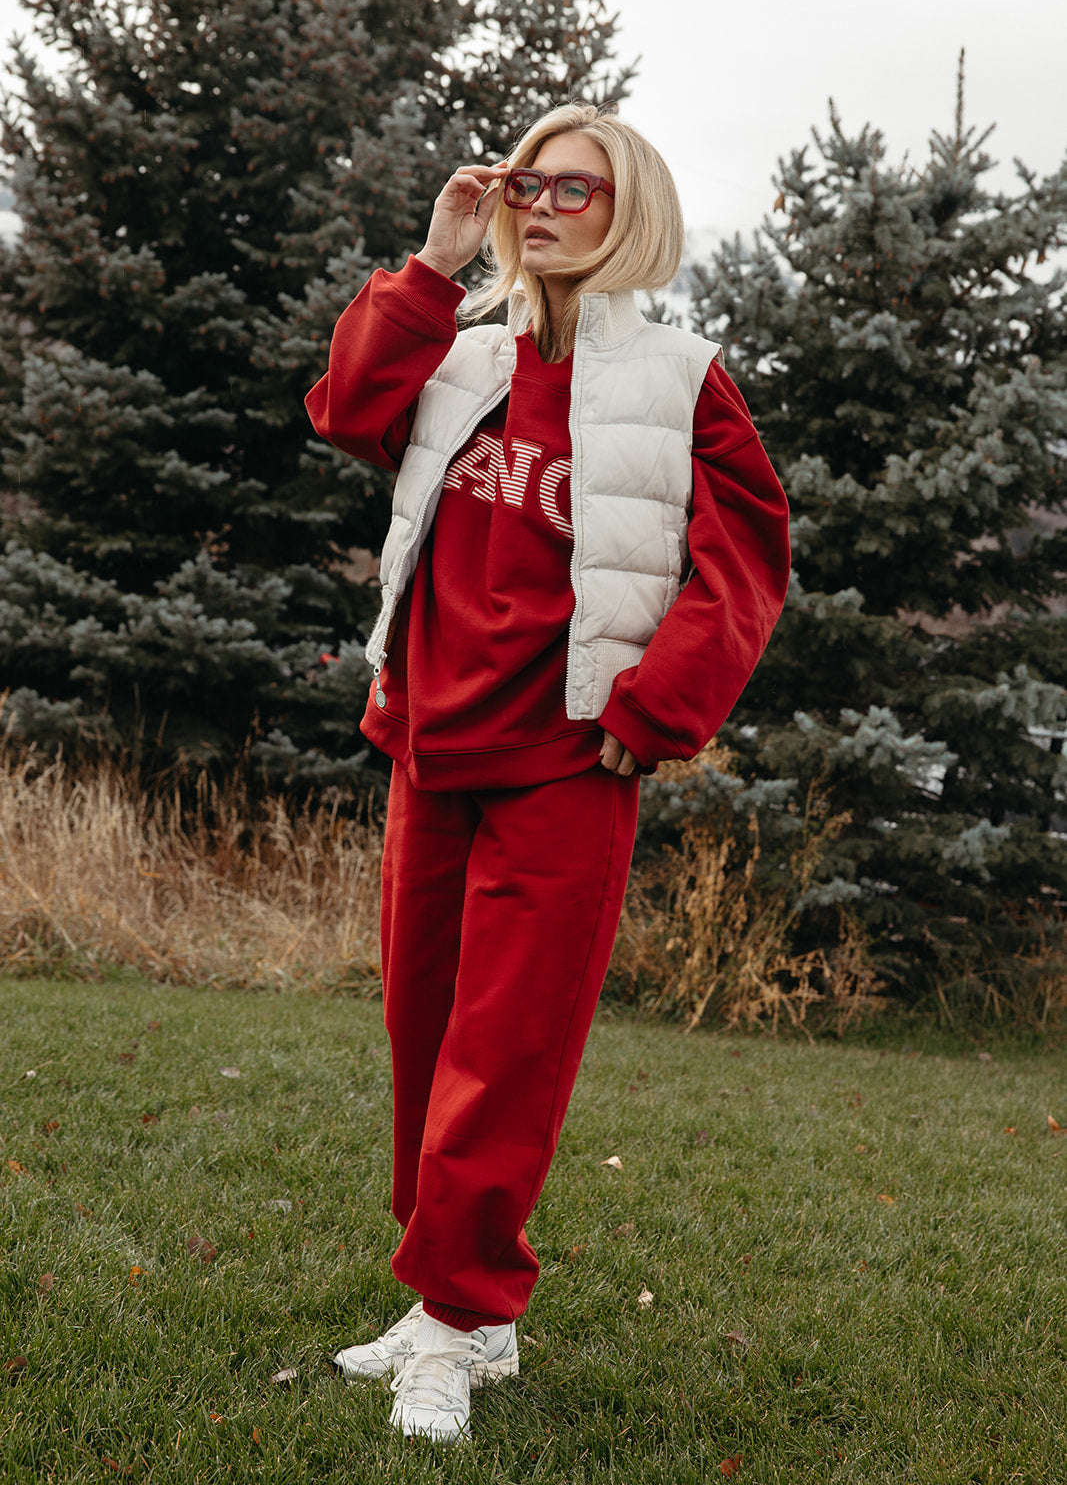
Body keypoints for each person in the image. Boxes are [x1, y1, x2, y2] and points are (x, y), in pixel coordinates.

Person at [304, 101, 791, 1443]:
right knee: (426, 1039)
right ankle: (463, 1312)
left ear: (631, 209)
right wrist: (434, 262)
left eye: (577, 188)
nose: (544, 206)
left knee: (506, 1053)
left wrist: (660, 707)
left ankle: (457, 1321)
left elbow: (747, 561)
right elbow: (346, 410)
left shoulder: (683, 378)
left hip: (566, 762)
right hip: (430, 742)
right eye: (528, 184)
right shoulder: (461, 347)